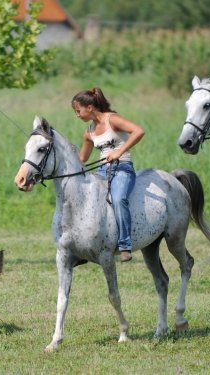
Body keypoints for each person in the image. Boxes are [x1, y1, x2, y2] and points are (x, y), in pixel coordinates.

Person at [72, 88, 145, 262]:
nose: (77, 115)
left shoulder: (112, 119)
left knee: (118, 199)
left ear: (89, 108)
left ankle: (125, 245)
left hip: (122, 168)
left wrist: (119, 152)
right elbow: (82, 159)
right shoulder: (89, 132)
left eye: (78, 111)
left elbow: (138, 131)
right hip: (102, 172)